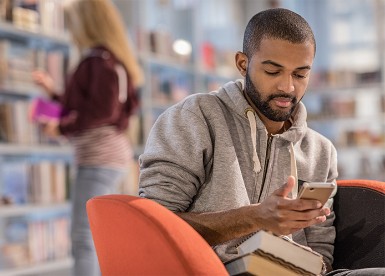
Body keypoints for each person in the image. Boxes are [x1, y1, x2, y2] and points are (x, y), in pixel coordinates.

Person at [138, 8, 385, 276]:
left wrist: (310, 265)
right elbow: (153, 225)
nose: (288, 87)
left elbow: (321, 251)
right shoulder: (195, 118)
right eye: (272, 71)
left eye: (300, 74)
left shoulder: (320, 151)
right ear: (243, 64)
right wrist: (254, 218)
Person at [32, 0, 143, 275]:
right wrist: (54, 94)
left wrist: (61, 128)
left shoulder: (97, 61)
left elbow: (99, 111)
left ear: (86, 22)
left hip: (98, 157)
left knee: (83, 236)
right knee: (93, 234)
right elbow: (95, 106)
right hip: (108, 155)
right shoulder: (112, 61)